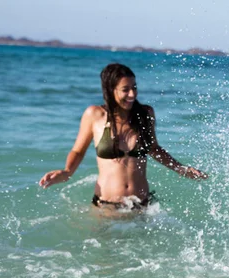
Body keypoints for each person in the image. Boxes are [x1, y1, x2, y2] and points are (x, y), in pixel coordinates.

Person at [39, 63, 207, 210]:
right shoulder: (95, 115)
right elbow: (78, 151)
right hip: (106, 207)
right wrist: (67, 172)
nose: (132, 94)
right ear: (111, 90)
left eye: (134, 87)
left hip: (142, 206)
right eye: (125, 89)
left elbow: (154, 149)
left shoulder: (145, 114)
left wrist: (180, 168)